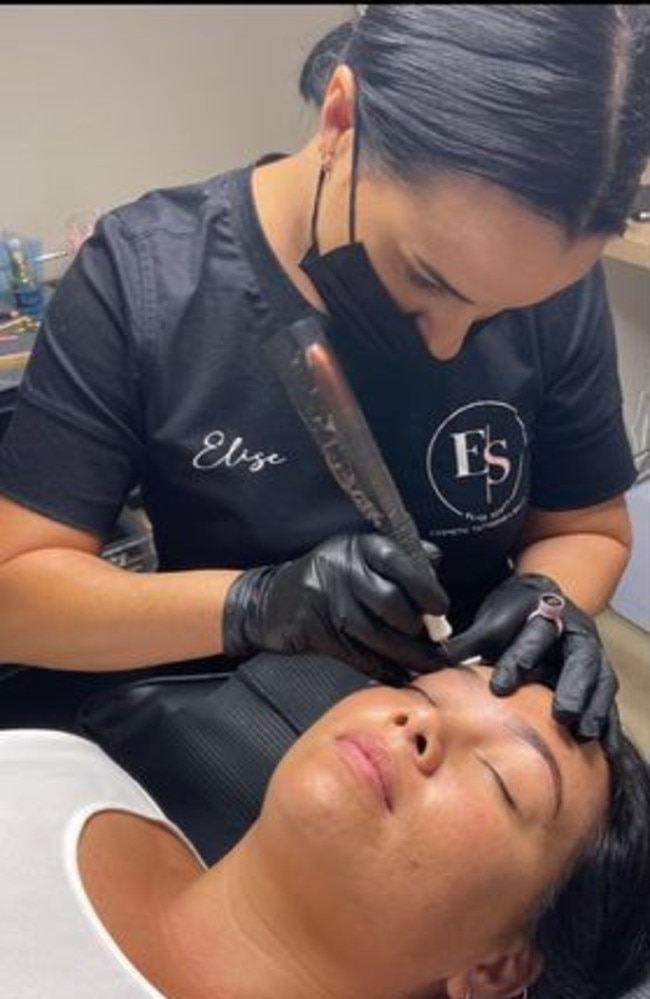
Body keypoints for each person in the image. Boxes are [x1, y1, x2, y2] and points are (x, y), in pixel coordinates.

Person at [0, 6, 649, 741]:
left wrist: (549, 597)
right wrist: (256, 604)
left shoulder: (545, 281)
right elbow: (16, 602)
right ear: (341, 118)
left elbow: (589, 528)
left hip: (462, 714)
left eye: (505, 309)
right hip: (229, 723)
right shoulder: (145, 277)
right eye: (429, 279)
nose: (449, 346)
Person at [1, 662, 649, 999]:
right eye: (420, 690)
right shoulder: (63, 764)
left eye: (500, 775)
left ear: (499, 967)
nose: (415, 724)